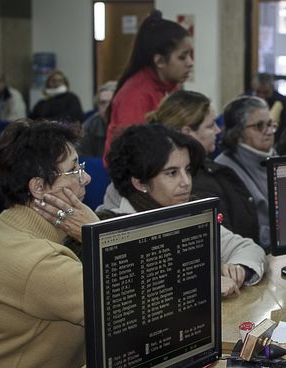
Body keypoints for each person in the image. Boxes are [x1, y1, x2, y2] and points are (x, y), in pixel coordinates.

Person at [103, 124, 266, 296]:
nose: (186, 182)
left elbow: (248, 248)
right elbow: (137, 288)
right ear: (140, 183)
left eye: (187, 170)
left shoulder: (187, 210)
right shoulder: (111, 226)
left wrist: (239, 268)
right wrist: (204, 283)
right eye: (172, 173)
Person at [0, 120, 98, 367]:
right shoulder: (40, 263)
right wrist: (97, 233)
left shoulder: (5, 226)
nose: (87, 178)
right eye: (75, 170)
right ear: (38, 187)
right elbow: (133, 307)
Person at [147, 90, 261, 244]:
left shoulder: (207, 167)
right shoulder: (193, 181)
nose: (218, 130)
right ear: (187, 132)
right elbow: (221, 244)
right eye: (210, 126)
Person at [103, 9, 193, 159]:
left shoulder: (170, 87)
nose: (190, 63)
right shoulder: (134, 96)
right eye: (182, 57)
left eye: (190, 55)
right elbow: (133, 157)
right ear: (159, 61)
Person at [215, 96, 276, 250]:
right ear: (238, 132)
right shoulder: (224, 168)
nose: (269, 131)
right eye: (259, 126)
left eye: (270, 124)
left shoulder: (275, 157)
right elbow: (246, 231)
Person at [77, 80, 116, 157]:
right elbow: (83, 161)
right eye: (103, 103)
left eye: (111, 102)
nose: (107, 107)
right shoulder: (88, 128)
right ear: (97, 106)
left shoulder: (130, 125)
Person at [251, 73, 286, 141]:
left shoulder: (282, 100)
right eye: (258, 92)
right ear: (253, 89)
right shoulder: (246, 100)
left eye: (266, 92)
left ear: (272, 89)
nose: (262, 96)